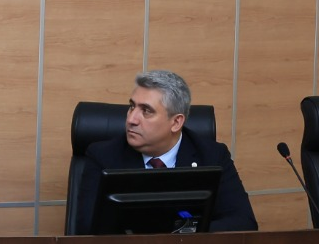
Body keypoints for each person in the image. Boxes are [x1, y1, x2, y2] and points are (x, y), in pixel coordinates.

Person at [73, 69, 257, 233]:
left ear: (176, 122)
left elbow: (243, 222)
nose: (131, 119)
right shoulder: (103, 156)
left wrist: (184, 232)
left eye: (146, 111)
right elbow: (88, 228)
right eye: (132, 106)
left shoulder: (212, 155)